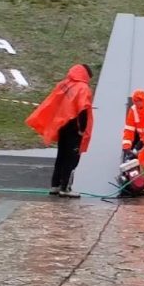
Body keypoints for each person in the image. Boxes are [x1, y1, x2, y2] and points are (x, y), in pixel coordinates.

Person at [25, 64, 94, 198]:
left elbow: (53, 102)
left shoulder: (65, 85)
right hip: (74, 127)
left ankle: (55, 186)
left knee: (61, 156)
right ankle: (65, 188)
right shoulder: (83, 88)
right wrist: (82, 130)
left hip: (62, 125)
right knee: (71, 158)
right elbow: (83, 109)